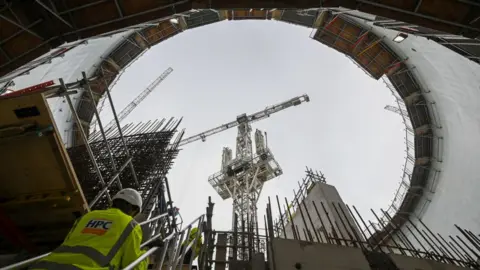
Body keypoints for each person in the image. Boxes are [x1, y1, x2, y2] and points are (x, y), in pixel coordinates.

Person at [31, 188, 154, 270]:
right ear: (134, 209)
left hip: (46, 266)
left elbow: (68, 242)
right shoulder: (130, 225)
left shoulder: (87, 216)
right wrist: (147, 252)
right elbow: (133, 265)